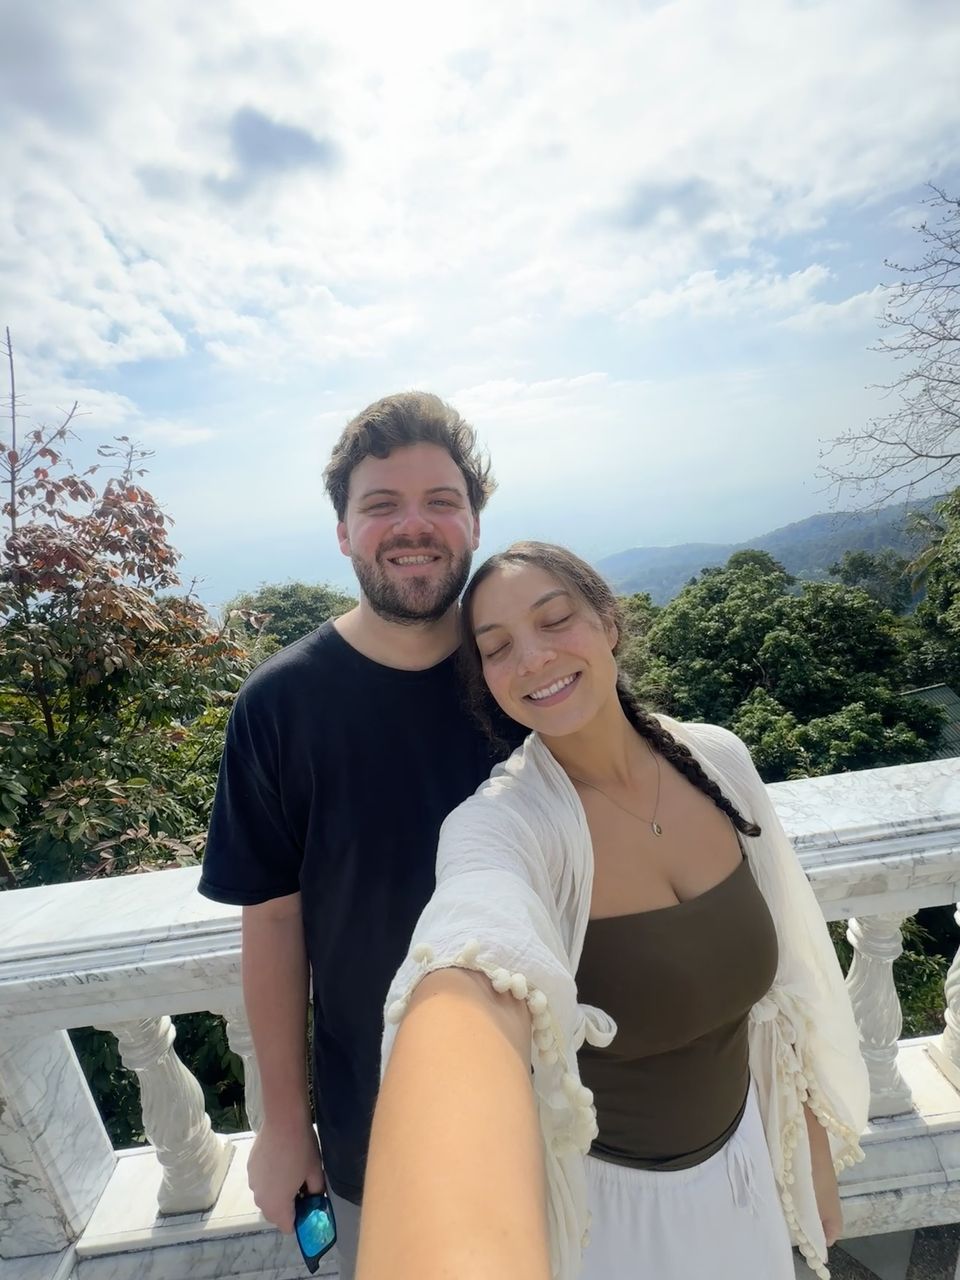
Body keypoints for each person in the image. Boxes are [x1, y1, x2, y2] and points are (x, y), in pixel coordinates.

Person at [359, 541, 870, 1280]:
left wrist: (810, 1151)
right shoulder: (505, 826)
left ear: (608, 622)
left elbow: (784, 986)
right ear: (486, 683)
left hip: (748, 1166)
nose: (533, 658)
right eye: (498, 648)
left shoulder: (718, 761)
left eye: (555, 620)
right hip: (615, 1221)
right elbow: (471, 940)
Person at [197, 392, 522, 1279]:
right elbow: (270, 921)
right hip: (371, 1128)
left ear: (474, 521)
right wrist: (280, 1123)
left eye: (440, 501)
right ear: (343, 531)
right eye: (381, 505)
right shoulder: (280, 706)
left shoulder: (529, 676)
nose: (413, 526)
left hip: (562, 1099)